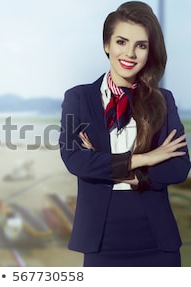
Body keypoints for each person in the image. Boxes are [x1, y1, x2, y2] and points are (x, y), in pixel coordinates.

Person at [59, 1, 191, 267]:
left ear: (149, 51)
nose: (130, 53)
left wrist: (115, 168)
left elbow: (178, 167)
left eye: (140, 45)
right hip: (101, 240)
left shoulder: (163, 100)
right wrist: (144, 159)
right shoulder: (78, 98)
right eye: (121, 42)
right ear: (107, 45)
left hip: (156, 240)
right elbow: (75, 160)